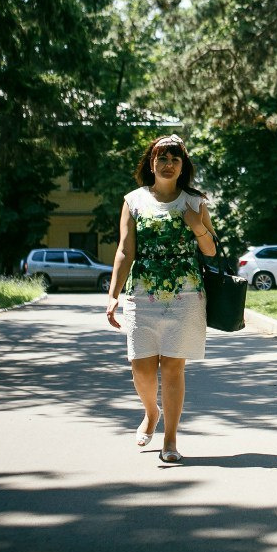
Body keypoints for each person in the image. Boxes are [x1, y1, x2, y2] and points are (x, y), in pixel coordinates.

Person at [105, 134, 217, 464]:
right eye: (161, 159)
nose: (168, 165)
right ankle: (151, 412)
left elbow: (210, 250)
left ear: (183, 166)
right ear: (151, 164)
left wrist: (197, 226)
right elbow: (125, 250)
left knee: (171, 368)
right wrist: (112, 295)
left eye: (174, 159)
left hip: (184, 297)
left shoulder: (194, 202)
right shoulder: (134, 200)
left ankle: (170, 439)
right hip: (142, 294)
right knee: (141, 368)